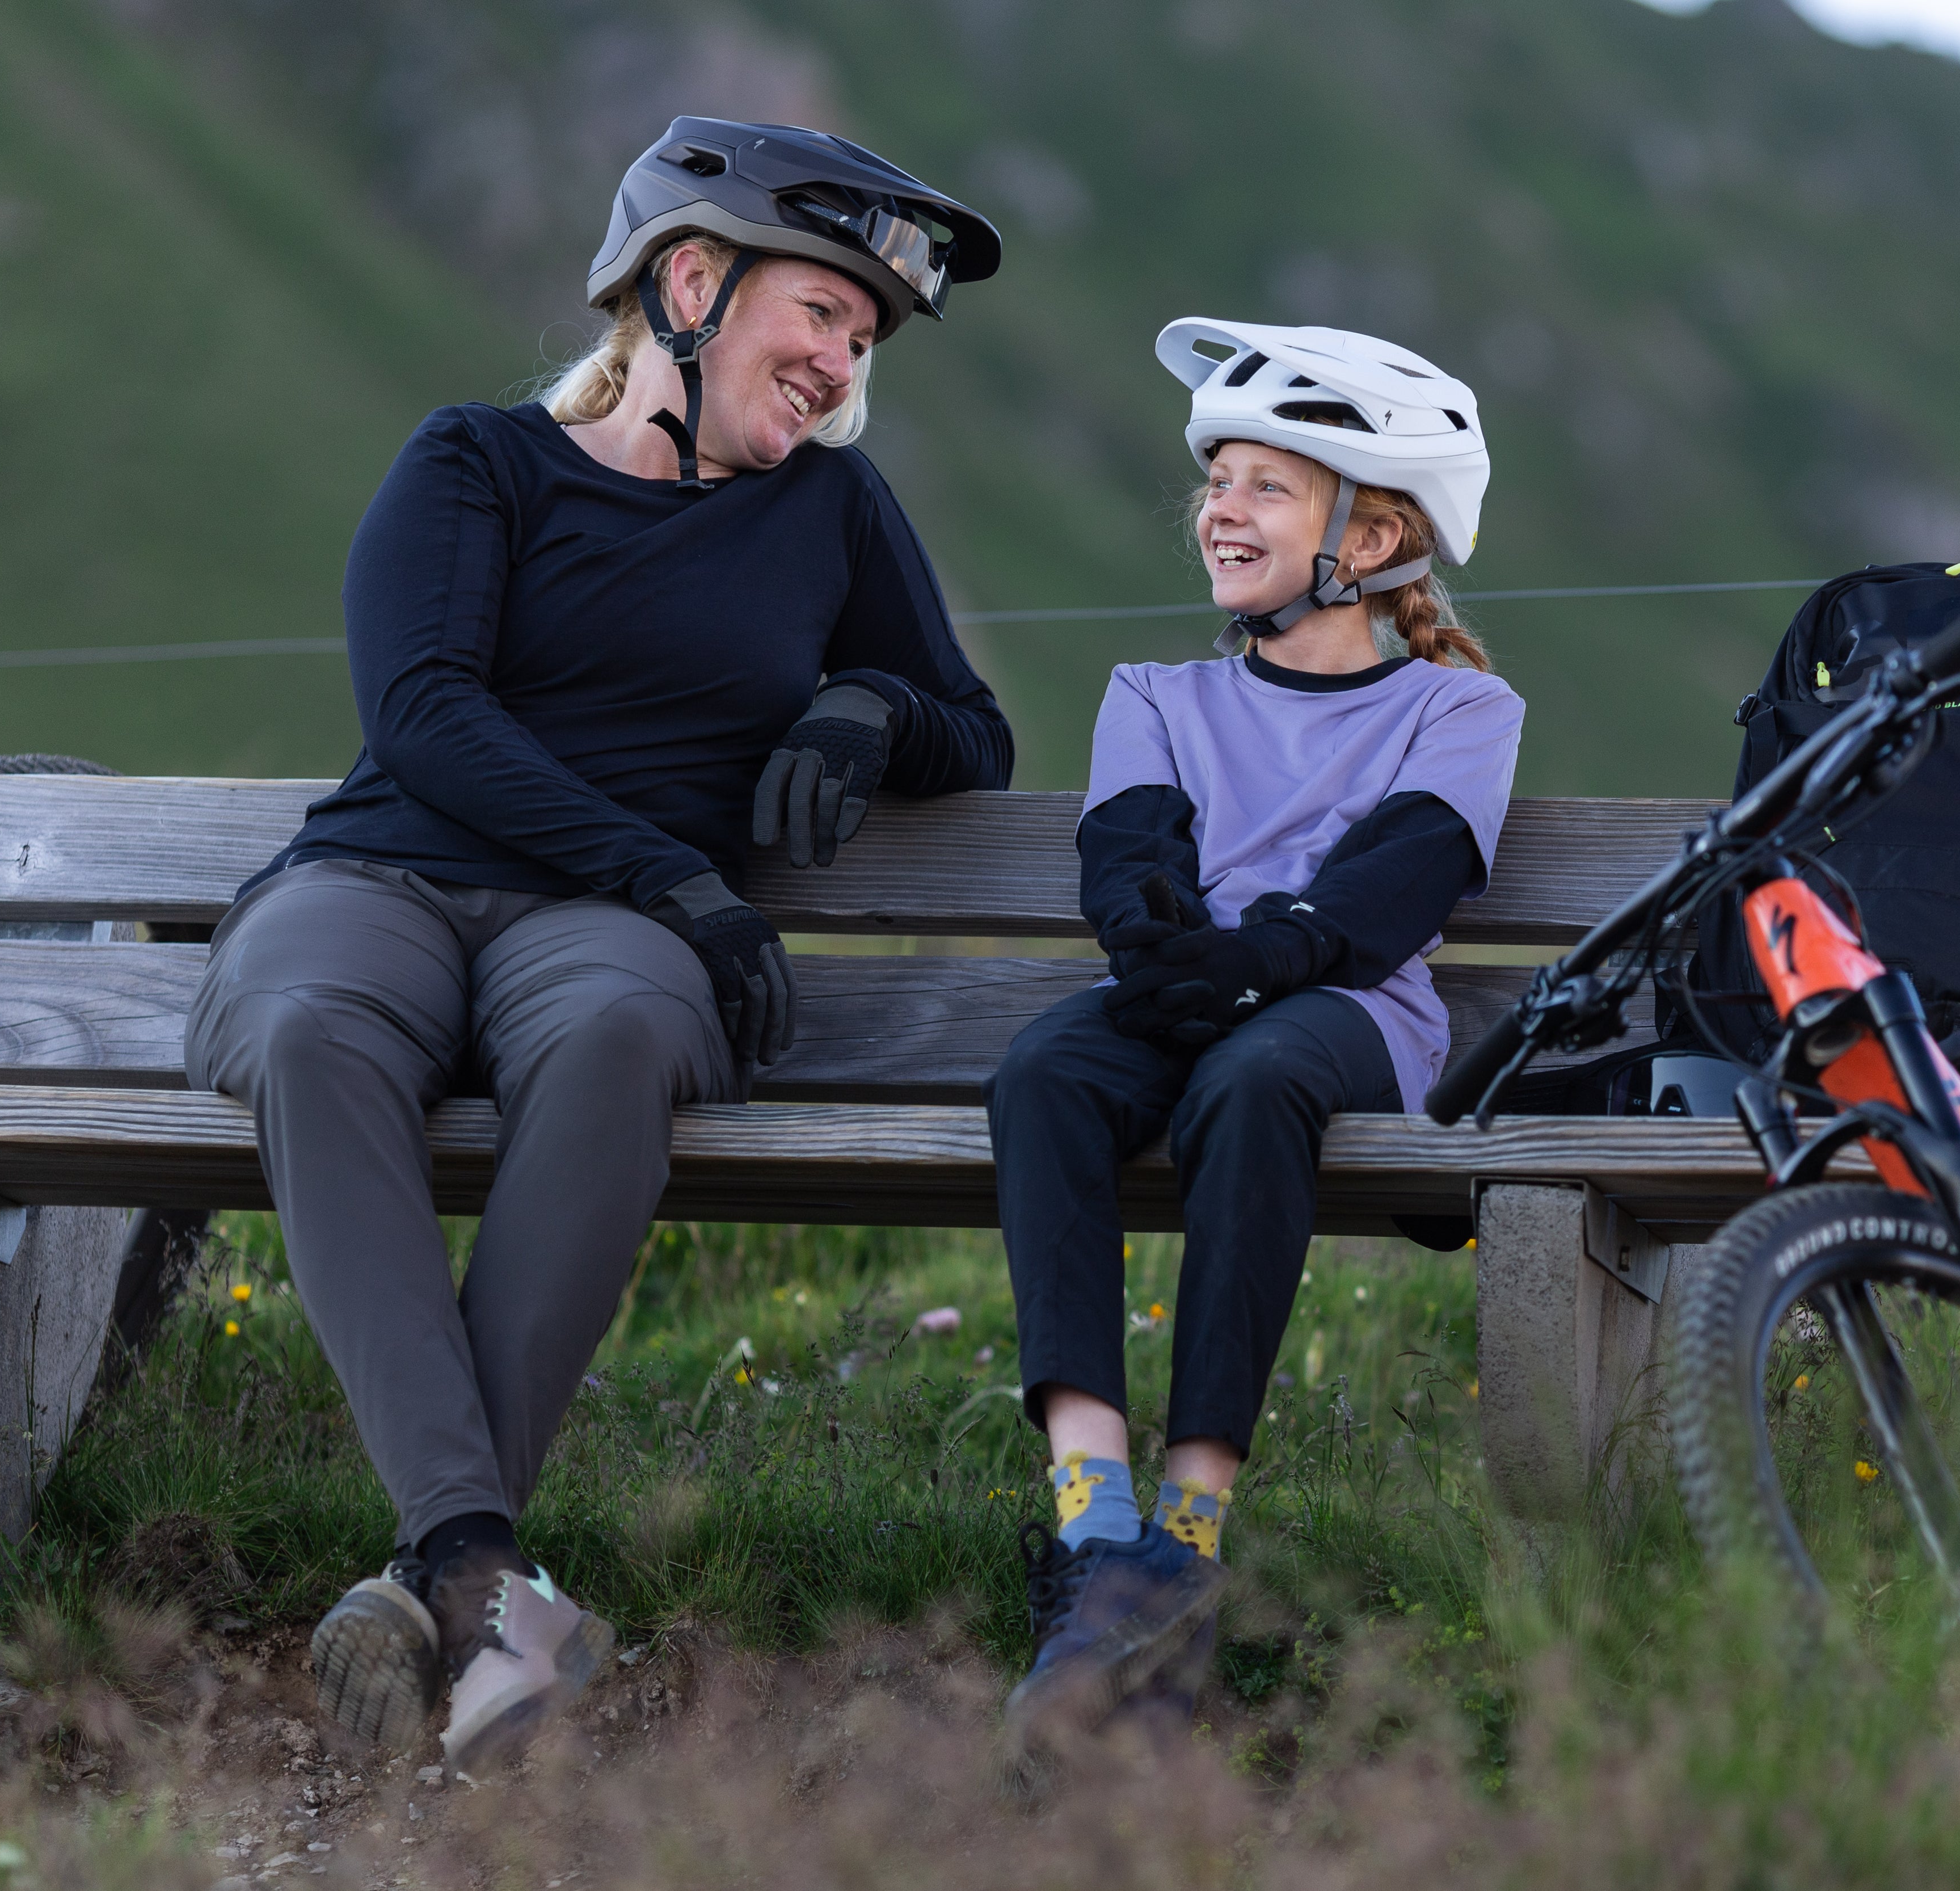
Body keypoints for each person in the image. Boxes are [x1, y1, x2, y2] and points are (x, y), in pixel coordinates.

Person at [184, 117, 1010, 1772]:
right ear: (689, 281)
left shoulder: (832, 513)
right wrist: (675, 873)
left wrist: (872, 705)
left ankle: (445, 1575)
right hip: (394, 878)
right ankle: (487, 1571)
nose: (847, 358)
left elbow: (973, 733)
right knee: (304, 1028)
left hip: (613, 942)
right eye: (826, 310)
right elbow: (424, 715)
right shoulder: (475, 464)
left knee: (624, 1036)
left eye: (867, 336)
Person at [985, 317, 1521, 1747]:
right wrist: (1175, 958)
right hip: (1188, 998)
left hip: (1346, 1015)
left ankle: (1193, 1523)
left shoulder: (1458, 706)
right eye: (1215, 481)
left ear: (1374, 526)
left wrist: (1248, 965)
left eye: (1264, 486)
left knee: (1257, 1072)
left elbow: (1386, 893)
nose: (1220, 510)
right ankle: (1099, 1533)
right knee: (1044, 1067)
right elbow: (1129, 865)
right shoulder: (1156, 696)